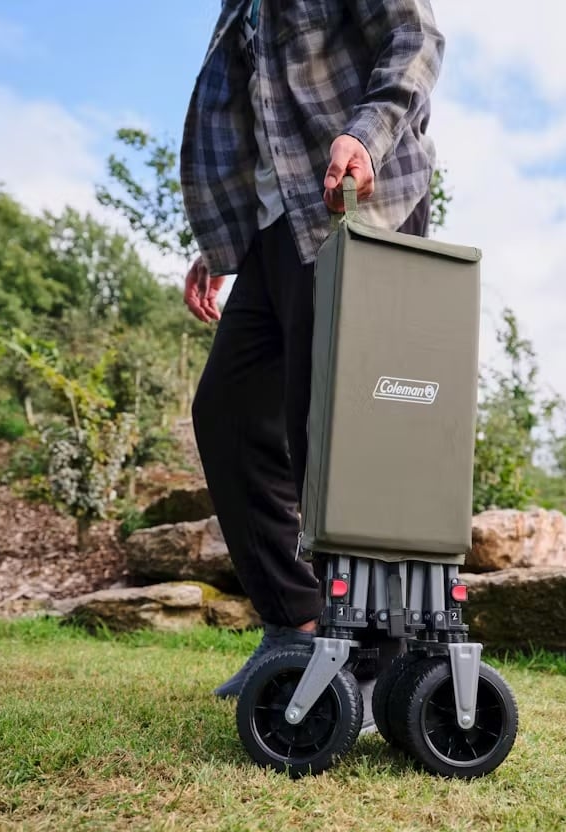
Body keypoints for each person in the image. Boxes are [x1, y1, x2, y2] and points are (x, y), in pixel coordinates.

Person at [178, 0, 445, 698]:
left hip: (355, 206)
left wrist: (365, 134)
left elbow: (415, 38)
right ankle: (296, 624)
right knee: (229, 412)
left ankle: (374, 655)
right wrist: (221, 242)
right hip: (274, 227)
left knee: (335, 431)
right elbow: (257, 119)